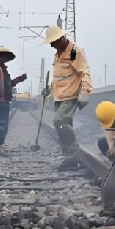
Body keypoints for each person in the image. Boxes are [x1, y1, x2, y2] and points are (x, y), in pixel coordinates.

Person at [41, 25, 92, 166]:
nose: (51, 45)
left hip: (71, 95)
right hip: (59, 97)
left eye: (52, 42)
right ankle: (70, 159)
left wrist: (85, 92)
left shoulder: (74, 52)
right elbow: (59, 77)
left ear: (61, 38)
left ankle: (73, 151)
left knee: (59, 122)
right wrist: (49, 89)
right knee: (63, 125)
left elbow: (84, 71)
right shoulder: (57, 54)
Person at [0, 46, 27, 147]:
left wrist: (19, 79)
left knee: (3, 125)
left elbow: (7, 84)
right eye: (3, 56)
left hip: (3, 101)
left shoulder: (2, 69)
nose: (5, 59)